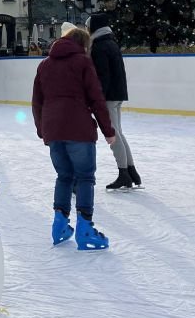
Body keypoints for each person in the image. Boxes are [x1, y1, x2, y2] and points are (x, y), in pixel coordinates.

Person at [32, 26, 115, 251]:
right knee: (85, 178)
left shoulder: (44, 65)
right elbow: (96, 98)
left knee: (64, 176)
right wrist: (108, 130)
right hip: (78, 128)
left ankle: (59, 225)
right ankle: (85, 228)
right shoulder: (82, 62)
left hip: (53, 129)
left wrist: (42, 129)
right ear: (84, 45)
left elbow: (37, 101)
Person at [88, 13, 141, 190]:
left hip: (109, 96)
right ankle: (131, 171)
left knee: (113, 134)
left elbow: (103, 76)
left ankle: (124, 173)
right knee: (118, 132)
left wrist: (98, 99)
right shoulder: (110, 42)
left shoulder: (99, 46)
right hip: (117, 94)